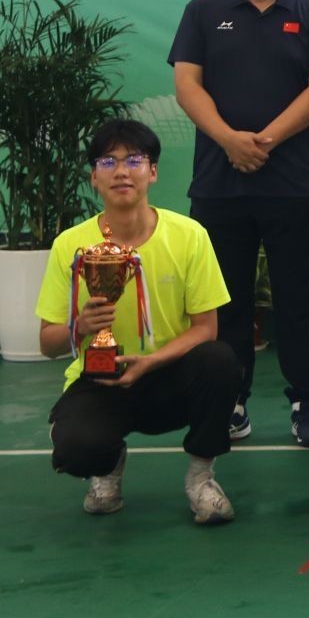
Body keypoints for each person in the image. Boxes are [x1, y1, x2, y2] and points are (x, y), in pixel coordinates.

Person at [170, 0, 309, 447]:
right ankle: (231, 399)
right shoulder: (204, 10)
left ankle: (306, 399)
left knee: (300, 296)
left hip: (292, 182)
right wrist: (228, 139)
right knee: (225, 298)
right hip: (220, 182)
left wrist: (262, 141)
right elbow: (187, 85)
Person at [36, 119, 238, 524]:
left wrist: (150, 361)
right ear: (94, 177)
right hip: (100, 378)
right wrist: (80, 327)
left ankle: (201, 479)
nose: (121, 171)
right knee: (76, 448)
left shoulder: (190, 235)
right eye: (108, 161)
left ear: (153, 171)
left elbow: (206, 328)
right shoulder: (70, 245)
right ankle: (107, 465)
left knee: (220, 361)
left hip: (170, 377)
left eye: (134, 160)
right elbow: (48, 343)